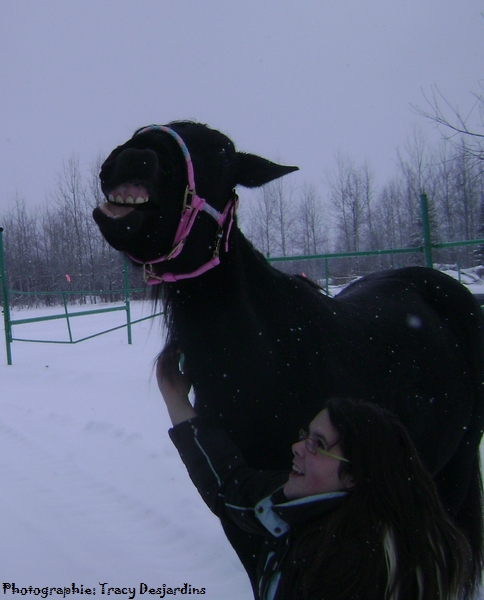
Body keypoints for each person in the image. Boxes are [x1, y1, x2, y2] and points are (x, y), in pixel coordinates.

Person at [156, 349, 473, 600]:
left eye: (317, 444)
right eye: (305, 436)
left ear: (357, 474)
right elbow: (232, 490)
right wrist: (175, 396)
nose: (297, 447)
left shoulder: (355, 568)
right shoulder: (311, 503)